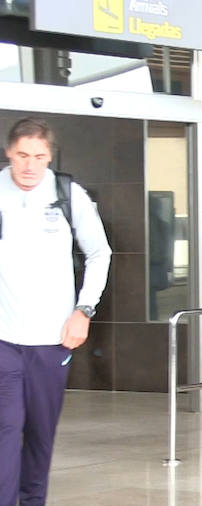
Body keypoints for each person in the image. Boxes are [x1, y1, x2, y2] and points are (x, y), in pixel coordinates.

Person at [0, 118, 112, 506]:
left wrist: (84, 310)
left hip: (52, 340)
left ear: (49, 157)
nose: (30, 166)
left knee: (40, 433)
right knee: (5, 428)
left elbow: (100, 253)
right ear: (9, 152)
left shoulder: (68, 194)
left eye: (39, 157)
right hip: (3, 341)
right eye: (23, 155)